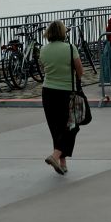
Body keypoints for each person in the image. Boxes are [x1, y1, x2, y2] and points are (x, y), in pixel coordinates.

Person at [39, 20, 84, 176]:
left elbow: (43, 68)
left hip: (48, 92)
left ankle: (62, 162)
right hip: (66, 92)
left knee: (56, 127)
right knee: (72, 126)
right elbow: (80, 71)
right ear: (63, 32)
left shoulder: (43, 50)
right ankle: (56, 156)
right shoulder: (70, 49)